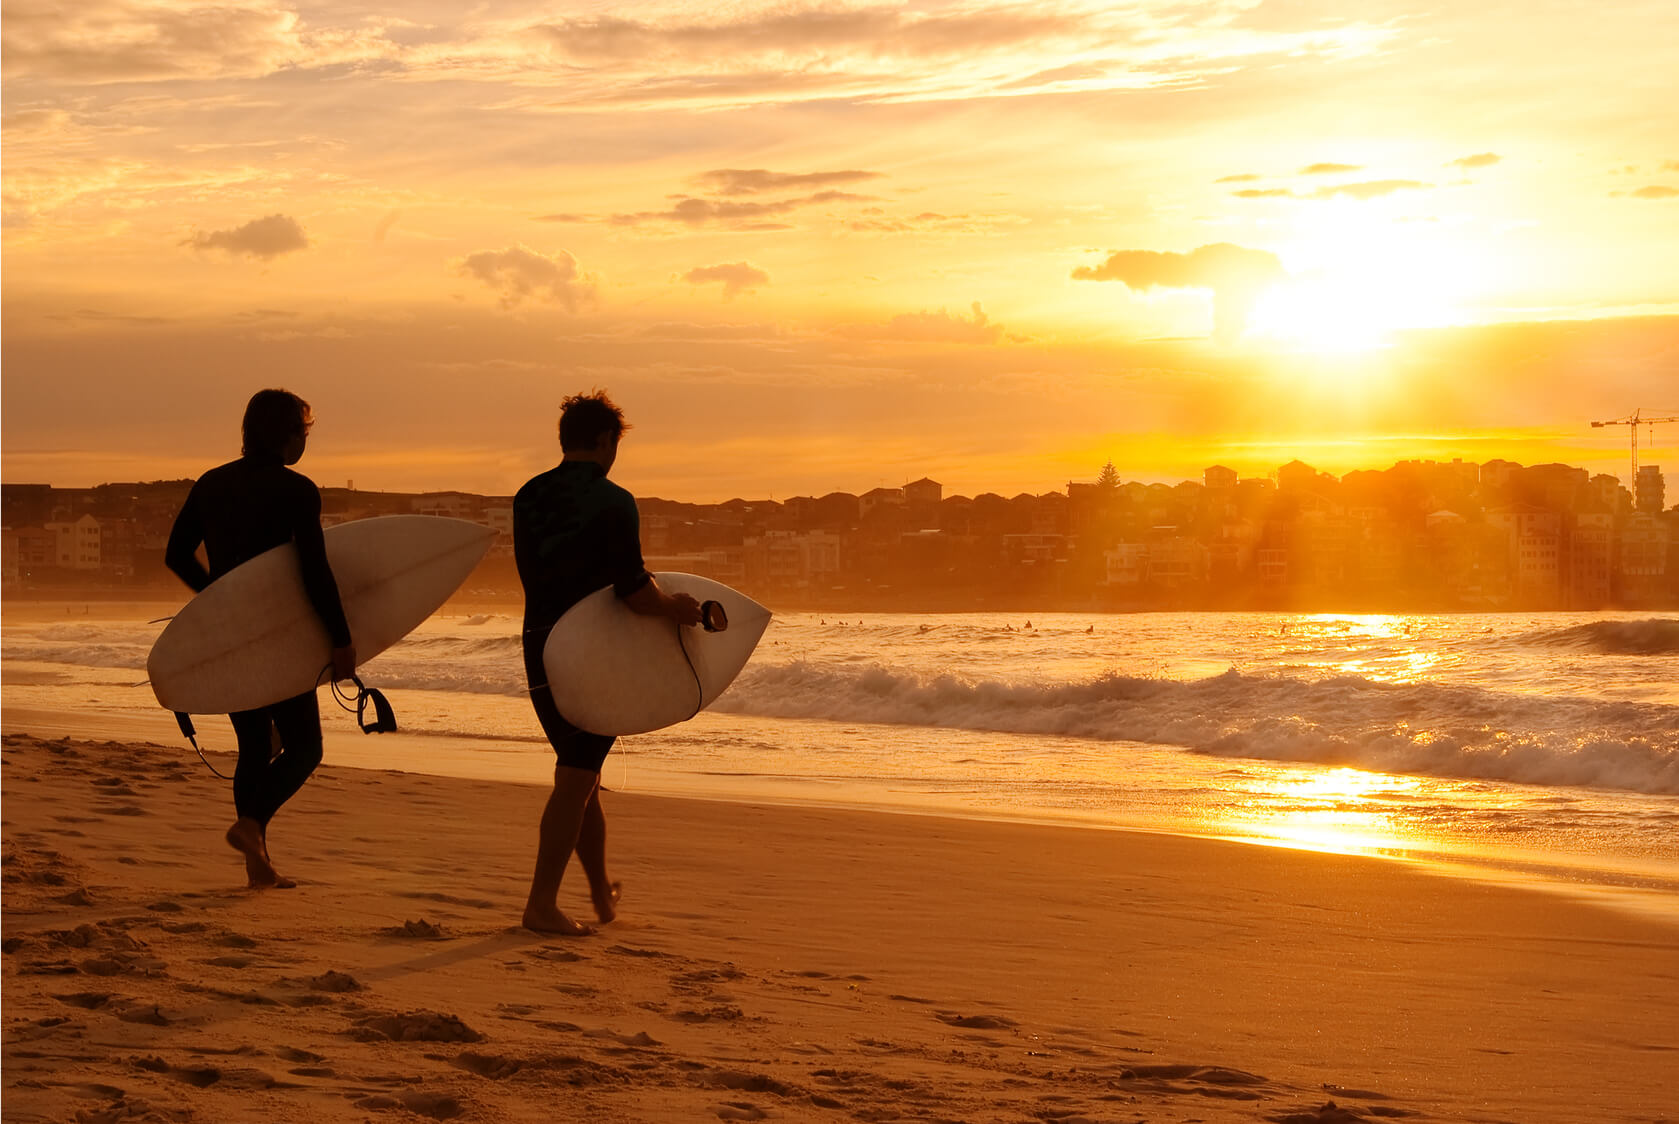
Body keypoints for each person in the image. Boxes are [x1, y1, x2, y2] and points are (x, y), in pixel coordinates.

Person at [515, 390, 702, 935]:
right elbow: (635, 592)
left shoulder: (527, 496)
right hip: (594, 653)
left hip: (539, 645)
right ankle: (540, 905)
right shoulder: (614, 500)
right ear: (603, 442)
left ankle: (598, 891)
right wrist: (676, 609)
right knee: (575, 778)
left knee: (582, 774)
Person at [165, 389, 355, 889]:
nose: (305, 443)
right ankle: (250, 826)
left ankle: (258, 866)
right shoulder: (296, 489)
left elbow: (176, 554)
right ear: (289, 435)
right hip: (277, 635)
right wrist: (341, 639)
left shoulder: (211, 483)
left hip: (231, 633)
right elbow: (315, 571)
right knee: (305, 747)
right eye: (304, 433)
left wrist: (219, 596)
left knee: (254, 745)